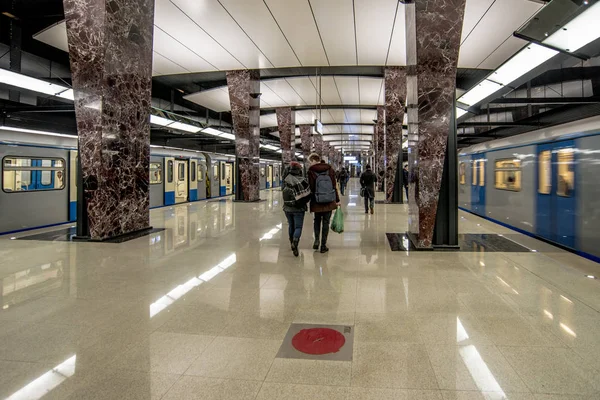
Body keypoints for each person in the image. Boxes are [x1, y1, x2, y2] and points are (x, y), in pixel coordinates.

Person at [307, 153, 340, 253]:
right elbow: (334, 186)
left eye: (310, 162)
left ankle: (316, 240)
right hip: (329, 200)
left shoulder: (311, 171)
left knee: (317, 221)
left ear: (313, 160)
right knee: (326, 223)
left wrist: (309, 199)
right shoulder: (330, 169)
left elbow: (311, 187)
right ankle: (323, 246)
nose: (309, 164)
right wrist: (337, 200)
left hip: (317, 200)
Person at [282, 162, 310, 257]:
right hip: (299, 208)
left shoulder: (286, 179)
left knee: (291, 225)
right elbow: (308, 194)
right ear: (299, 171)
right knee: (298, 227)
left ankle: (291, 243)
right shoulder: (302, 180)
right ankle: (295, 243)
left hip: (287, 207)